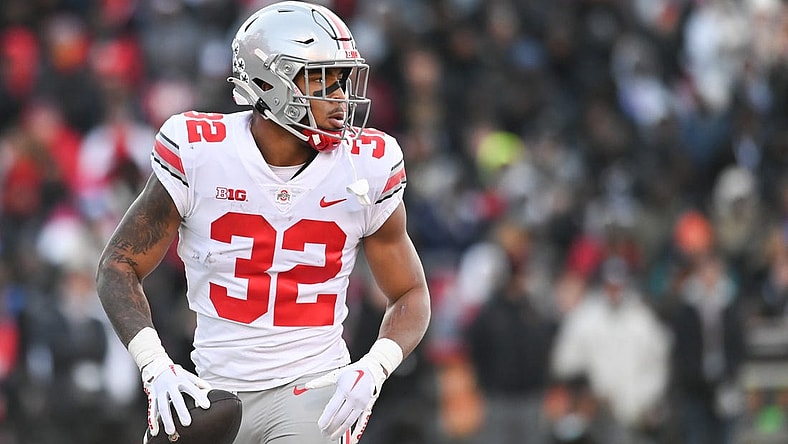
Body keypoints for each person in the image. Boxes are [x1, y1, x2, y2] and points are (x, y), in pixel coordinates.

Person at [94, 2, 432, 444]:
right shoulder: (201, 153)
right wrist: (155, 365)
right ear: (269, 82)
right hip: (215, 389)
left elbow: (411, 291)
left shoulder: (366, 165)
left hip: (312, 388)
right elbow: (117, 265)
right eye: (320, 80)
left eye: (342, 79)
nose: (340, 96)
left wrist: (375, 366)